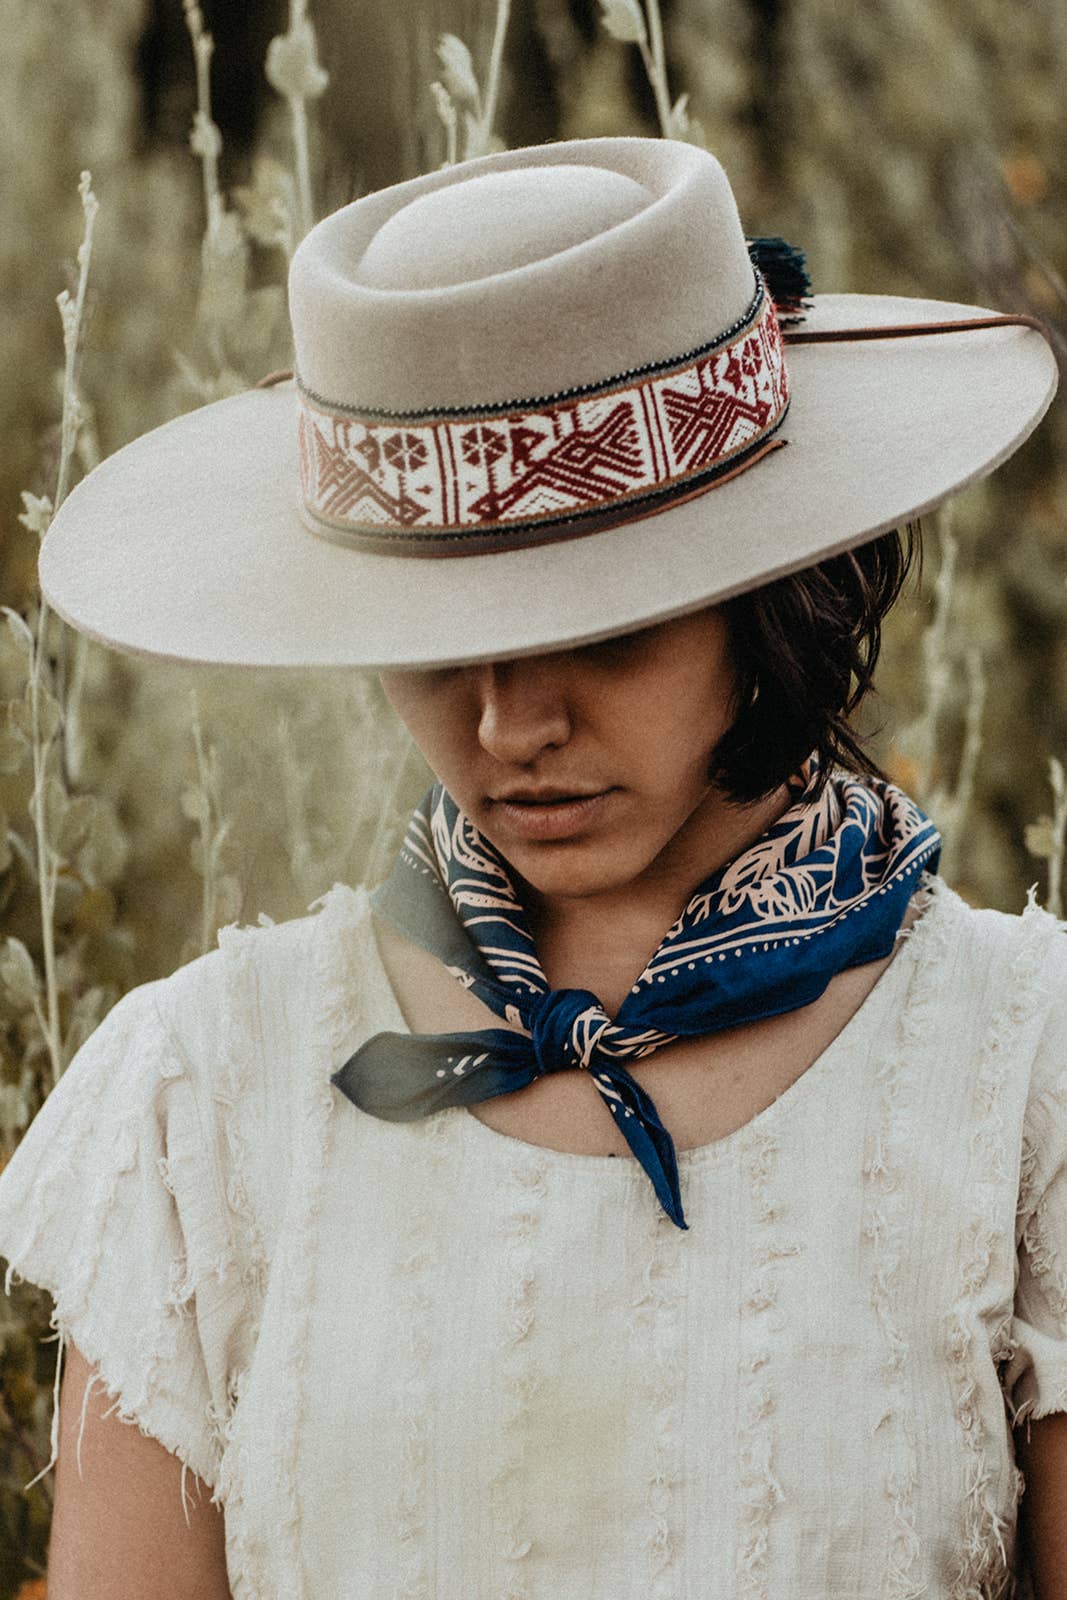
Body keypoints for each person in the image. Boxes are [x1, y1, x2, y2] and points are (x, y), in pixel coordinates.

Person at [0, 135, 1063, 1599]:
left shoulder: (1027, 1068)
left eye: (602, 631)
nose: (511, 725)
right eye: (437, 649)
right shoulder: (204, 1095)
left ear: (767, 589)